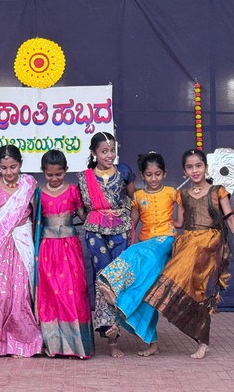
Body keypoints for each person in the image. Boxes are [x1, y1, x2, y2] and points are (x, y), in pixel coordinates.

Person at [143, 148, 234, 359]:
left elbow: (230, 220)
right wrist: (153, 220)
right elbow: (180, 223)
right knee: (190, 291)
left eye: (198, 166)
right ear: (184, 172)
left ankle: (203, 342)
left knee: (201, 292)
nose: (195, 171)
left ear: (206, 168)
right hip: (188, 245)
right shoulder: (182, 195)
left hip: (209, 245)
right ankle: (198, 337)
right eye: (190, 167)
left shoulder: (218, 191)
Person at [96, 151, 180, 356]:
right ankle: (152, 343)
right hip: (144, 246)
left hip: (163, 243)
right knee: (147, 295)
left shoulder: (172, 193)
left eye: (157, 174)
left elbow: (181, 222)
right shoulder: (139, 197)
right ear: (142, 176)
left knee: (138, 252)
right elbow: (132, 224)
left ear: (165, 173)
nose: (153, 178)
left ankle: (114, 290)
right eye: (149, 175)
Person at [0, 144, 42, 358]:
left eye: (13, 167)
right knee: (1, 293)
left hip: (22, 242)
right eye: (4, 168)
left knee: (20, 294)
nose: (9, 172)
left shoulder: (29, 184)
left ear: (20, 164)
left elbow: (39, 213)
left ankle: (20, 342)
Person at [76, 131, 136, 358]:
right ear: (93, 153)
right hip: (95, 231)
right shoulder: (85, 177)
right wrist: (93, 220)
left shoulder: (124, 172)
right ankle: (111, 338)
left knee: (117, 278)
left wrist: (131, 226)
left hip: (121, 230)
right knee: (103, 278)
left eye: (112, 150)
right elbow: (81, 209)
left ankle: (119, 329)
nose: (109, 155)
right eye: (104, 151)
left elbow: (134, 201)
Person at [35, 149, 95, 359]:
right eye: (49, 175)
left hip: (70, 248)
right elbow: (34, 222)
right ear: (43, 172)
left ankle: (77, 346)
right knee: (51, 293)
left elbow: (84, 215)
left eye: (58, 174)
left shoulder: (72, 191)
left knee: (73, 291)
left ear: (66, 171)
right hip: (47, 248)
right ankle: (52, 344)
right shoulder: (38, 193)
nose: (54, 178)